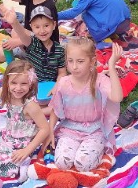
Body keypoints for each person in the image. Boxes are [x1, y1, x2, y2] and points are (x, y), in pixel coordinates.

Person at [48, 38, 123, 173]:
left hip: (94, 130)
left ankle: (99, 148)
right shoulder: (63, 82)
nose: (74, 67)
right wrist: (50, 132)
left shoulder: (100, 80)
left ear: (92, 61)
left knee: (83, 164)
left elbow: (117, 97)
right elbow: (55, 108)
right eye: (70, 61)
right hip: (69, 129)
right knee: (62, 163)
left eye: (80, 61)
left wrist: (111, 66)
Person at [0, 60, 50, 180]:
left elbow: (45, 128)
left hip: (22, 143)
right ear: (7, 82)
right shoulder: (6, 93)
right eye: (14, 83)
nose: (18, 88)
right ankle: (1, 151)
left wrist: (27, 150)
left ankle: (19, 162)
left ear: (31, 83)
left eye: (23, 83)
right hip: (7, 134)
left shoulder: (30, 105)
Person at [0, 5, 66, 83]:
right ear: (31, 27)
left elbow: (62, 73)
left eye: (46, 26)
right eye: (37, 27)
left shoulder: (60, 50)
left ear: (54, 25)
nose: (42, 30)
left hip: (50, 86)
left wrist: (57, 86)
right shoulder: (32, 43)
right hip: (31, 84)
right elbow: (22, 35)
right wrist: (14, 23)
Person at [59, 0, 131, 44]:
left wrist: (55, 15)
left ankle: (100, 39)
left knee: (85, 15)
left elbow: (73, 13)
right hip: (125, 21)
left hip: (116, 26)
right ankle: (117, 34)